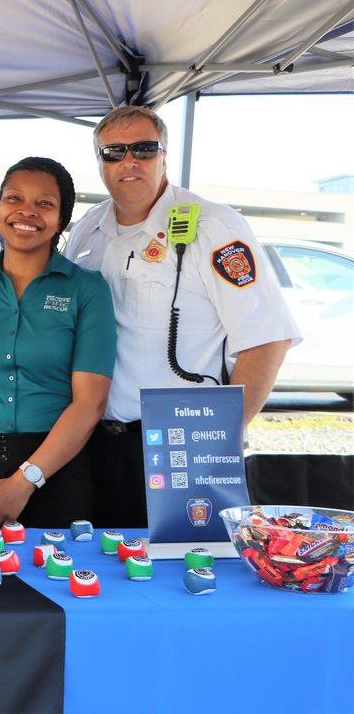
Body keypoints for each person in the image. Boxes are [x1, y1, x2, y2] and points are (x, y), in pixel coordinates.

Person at [64, 105, 300, 528]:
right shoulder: (88, 229)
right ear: (99, 161)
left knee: (183, 574)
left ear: (165, 155)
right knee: (102, 574)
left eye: (143, 148)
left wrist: (216, 445)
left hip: (180, 447)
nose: (129, 161)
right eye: (113, 152)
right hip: (93, 440)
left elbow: (266, 340)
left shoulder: (214, 225)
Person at [0, 157, 115, 529]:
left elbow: (90, 401)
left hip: (56, 469)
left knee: (54, 586)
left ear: (61, 219)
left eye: (44, 203)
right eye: (14, 199)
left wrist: (23, 482)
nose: (26, 212)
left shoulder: (87, 289)